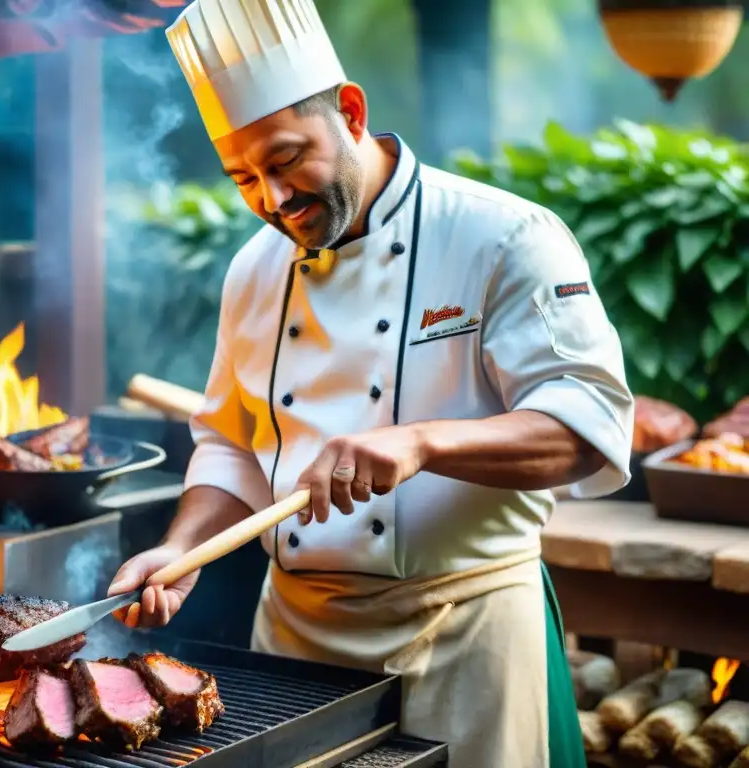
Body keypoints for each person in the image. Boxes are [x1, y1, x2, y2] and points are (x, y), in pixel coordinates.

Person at [108, 0, 634, 765]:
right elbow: (231, 443)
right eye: (242, 177)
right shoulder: (253, 268)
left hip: (465, 634)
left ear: (350, 111)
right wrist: (182, 549)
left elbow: (587, 427)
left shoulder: (504, 235)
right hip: (293, 644)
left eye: (286, 160)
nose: (273, 199)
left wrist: (420, 442)